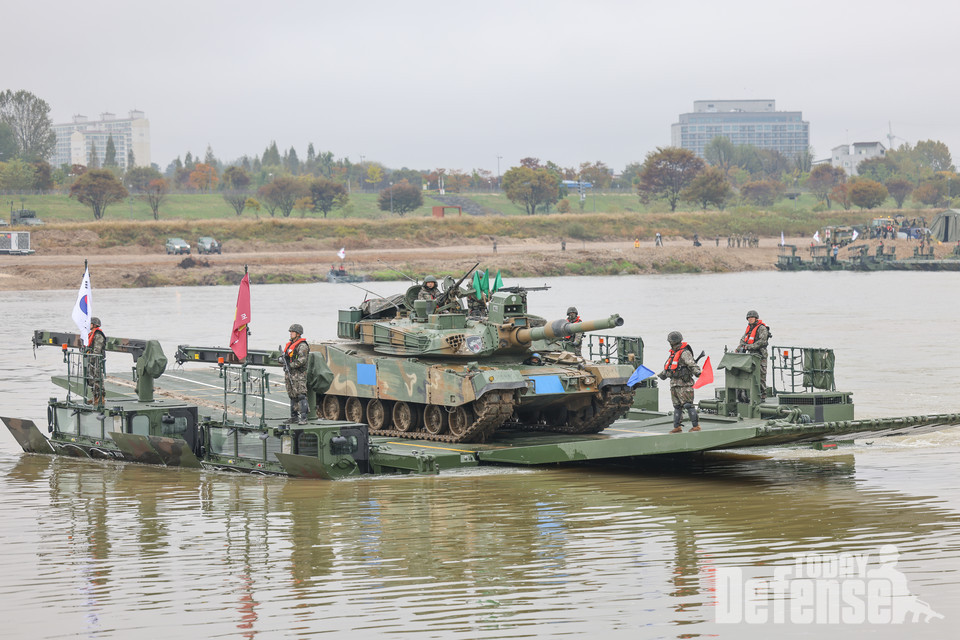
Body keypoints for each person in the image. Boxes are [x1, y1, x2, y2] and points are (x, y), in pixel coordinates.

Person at [657, 331, 701, 433]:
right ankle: (677, 427)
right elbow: (670, 367)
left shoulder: (684, 352)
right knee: (677, 406)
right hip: (674, 384)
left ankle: (696, 426)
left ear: (672, 342)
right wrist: (662, 374)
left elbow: (691, 364)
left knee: (688, 405)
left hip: (684, 384)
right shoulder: (674, 353)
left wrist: (697, 372)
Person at [737, 310, 769, 400]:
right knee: (749, 374)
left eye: (752, 318)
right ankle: (750, 393)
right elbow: (743, 340)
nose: (750, 319)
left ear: (756, 318)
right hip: (751, 355)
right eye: (749, 318)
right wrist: (738, 349)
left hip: (760, 355)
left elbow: (763, 341)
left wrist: (750, 346)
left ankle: (763, 393)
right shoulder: (749, 329)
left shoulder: (762, 328)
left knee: (761, 375)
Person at [284, 323, 310, 425]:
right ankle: (294, 417)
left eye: (292, 332)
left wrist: (291, 365)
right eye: (290, 332)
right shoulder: (290, 345)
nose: (290, 334)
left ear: (298, 334)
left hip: (298, 374)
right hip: (290, 373)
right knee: (292, 395)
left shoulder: (302, 346)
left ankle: (303, 418)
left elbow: (302, 360)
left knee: (301, 395)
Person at [86, 316, 106, 405]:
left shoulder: (98, 335)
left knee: (98, 379)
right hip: (92, 360)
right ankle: (95, 397)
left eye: (90, 324)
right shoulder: (91, 334)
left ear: (94, 325)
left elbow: (97, 350)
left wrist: (93, 358)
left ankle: (100, 398)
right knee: (91, 379)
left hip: (96, 360)